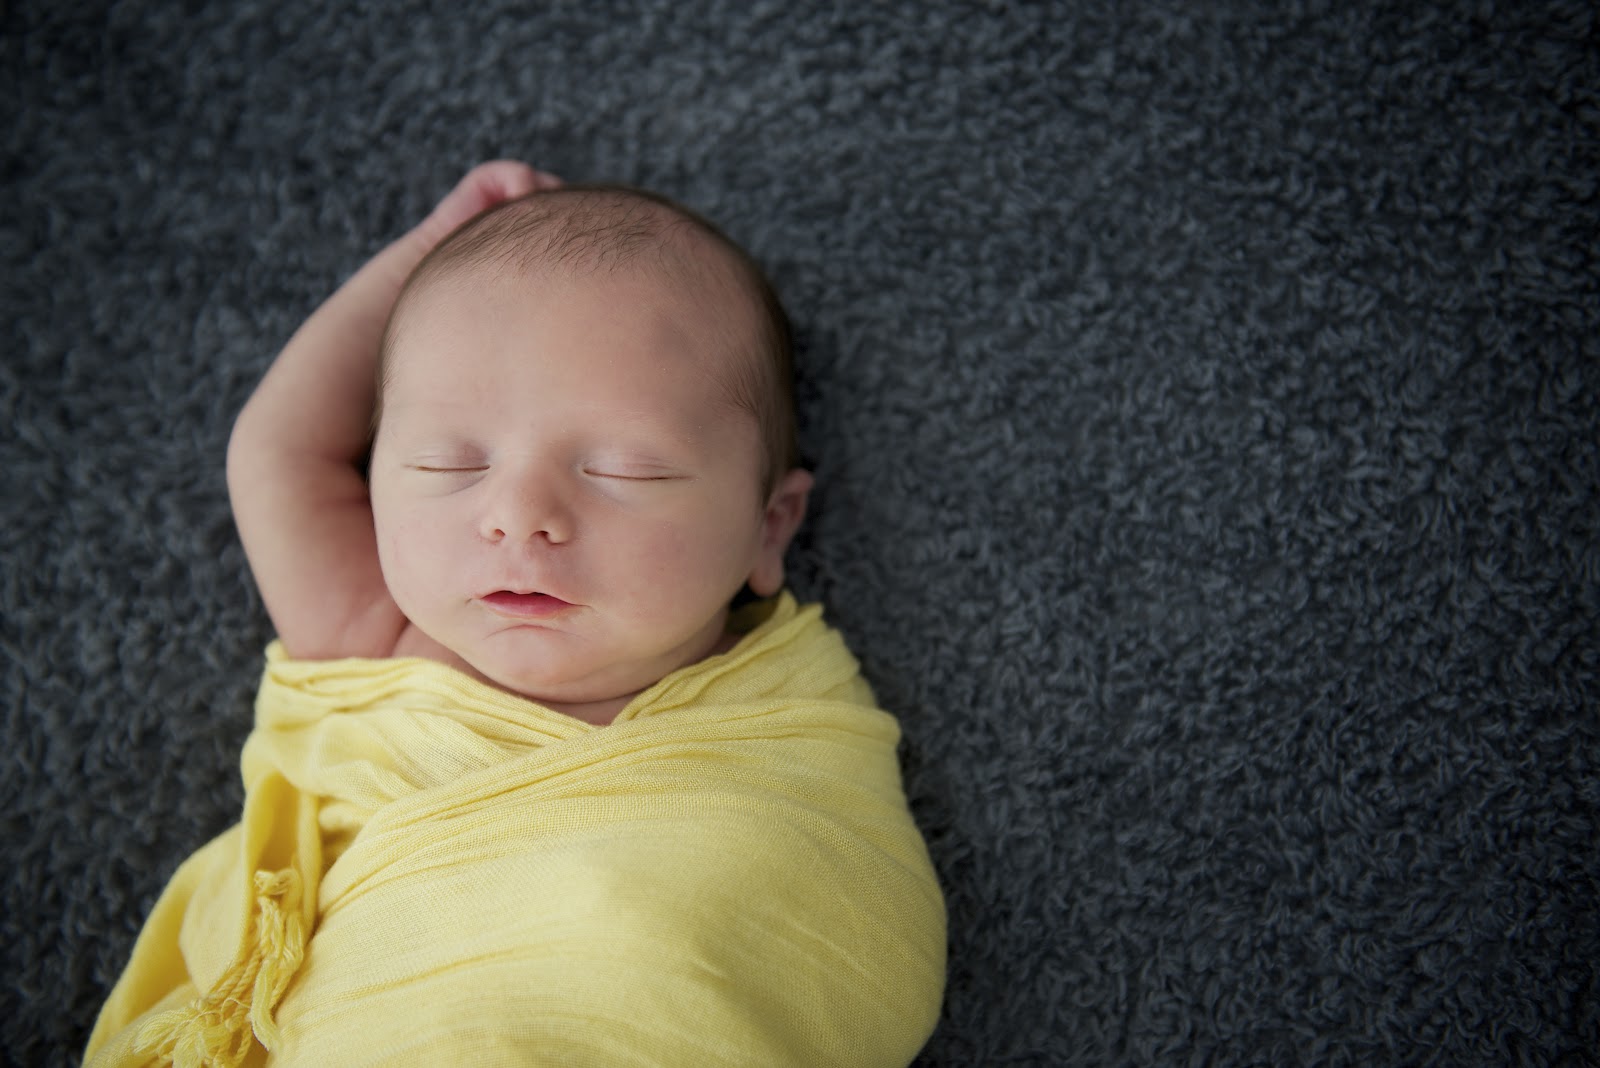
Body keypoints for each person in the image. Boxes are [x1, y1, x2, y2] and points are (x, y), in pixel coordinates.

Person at [84, 162, 945, 1067]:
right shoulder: (376, 639)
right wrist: (425, 252)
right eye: (450, 465)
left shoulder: (788, 725)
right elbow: (280, 450)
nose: (518, 513)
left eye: (623, 471)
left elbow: (845, 936)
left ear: (768, 528)